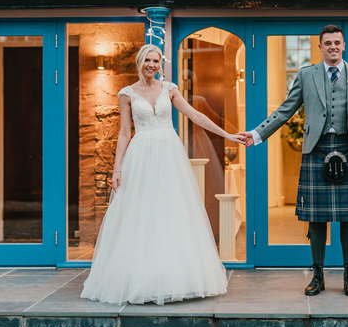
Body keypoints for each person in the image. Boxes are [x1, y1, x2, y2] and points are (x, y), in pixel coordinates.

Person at [81, 44, 244, 305]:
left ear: (160, 64)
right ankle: (140, 276)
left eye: (156, 61)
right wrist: (117, 168)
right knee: (141, 213)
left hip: (169, 156)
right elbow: (124, 133)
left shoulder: (170, 90)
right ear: (139, 61)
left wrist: (227, 135)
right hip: (141, 156)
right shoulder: (127, 94)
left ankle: (174, 276)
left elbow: (194, 114)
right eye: (148, 59)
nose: (152, 65)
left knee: (173, 211)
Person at [239, 25, 348, 297]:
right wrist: (257, 134)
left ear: (344, 45)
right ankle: (317, 274)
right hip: (316, 150)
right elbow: (285, 110)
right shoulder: (306, 75)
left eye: (337, 43)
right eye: (327, 43)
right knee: (316, 219)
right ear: (319, 47)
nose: (333, 47)